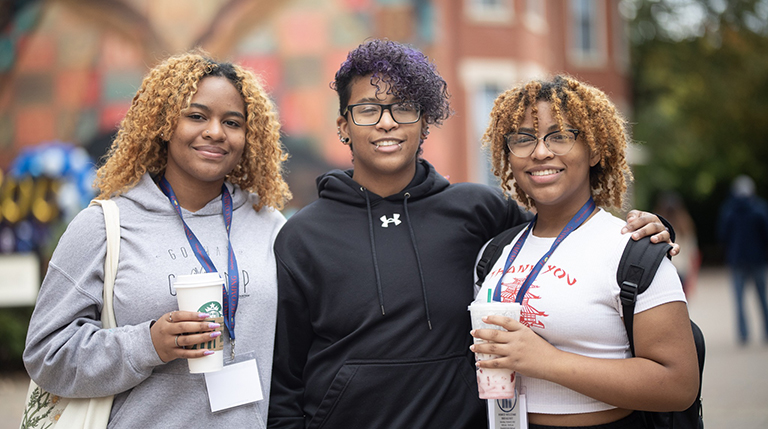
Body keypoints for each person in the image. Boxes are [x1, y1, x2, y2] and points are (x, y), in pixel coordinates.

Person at [267, 39, 676, 429]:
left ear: (425, 121)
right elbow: (285, 380)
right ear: (344, 124)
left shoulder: (476, 210)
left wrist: (648, 232)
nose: (387, 122)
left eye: (404, 108)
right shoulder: (301, 236)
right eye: (369, 109)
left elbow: (560, 231)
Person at [23, 50, 291, 427]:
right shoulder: (105, 225)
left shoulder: (269, 225)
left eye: (232, 122)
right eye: (197, 116)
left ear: (249, 136)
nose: (215, 131)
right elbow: (45, 355)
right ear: (165, 125)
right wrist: (148, 344)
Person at [471, 75, 699, 429]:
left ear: (593, 150)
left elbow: (678, 385)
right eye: (523, 139)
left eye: (559, 136)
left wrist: (546, 361)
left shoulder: (633, 249)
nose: (540, 151)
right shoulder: (495, 252)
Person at [717, 174, 768, 345]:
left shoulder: (729, 209)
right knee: (762, 298)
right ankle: (766, 331)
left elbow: (723, 234)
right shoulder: (760, 208)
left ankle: (743, 335)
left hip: (737, 259)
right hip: (758, 259)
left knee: (739, 300)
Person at [655, 191, 700, 296]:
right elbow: (692, 249)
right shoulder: (685, 225)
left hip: (663, 269)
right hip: (681, 268)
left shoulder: (658, 225)